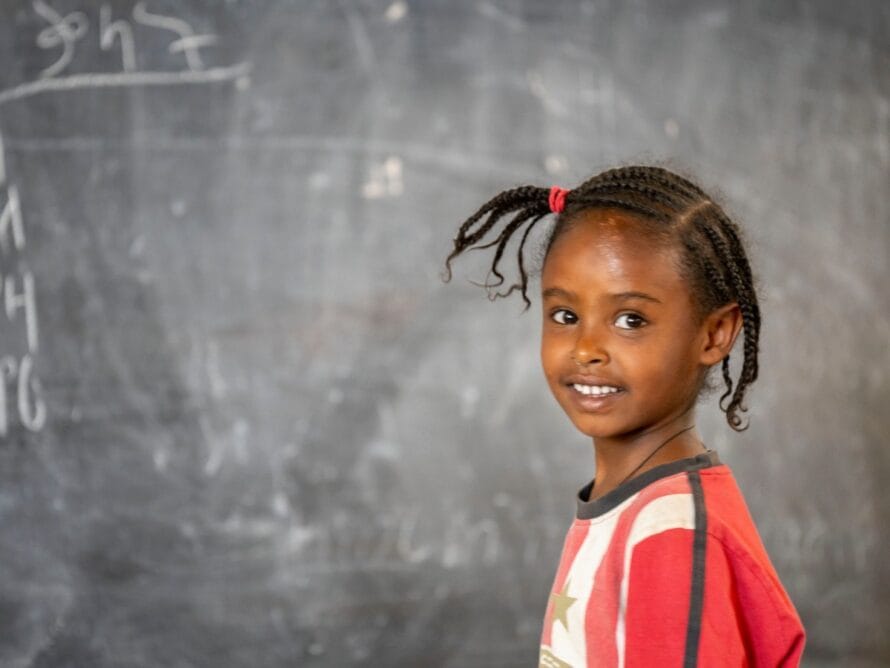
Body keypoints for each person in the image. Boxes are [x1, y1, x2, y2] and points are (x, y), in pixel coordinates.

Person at [442, 165, 806, 667]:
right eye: (565, 316)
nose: (587, 348)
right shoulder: (632, 509)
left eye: (630, 319)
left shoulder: (673, 536)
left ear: (714, 334)